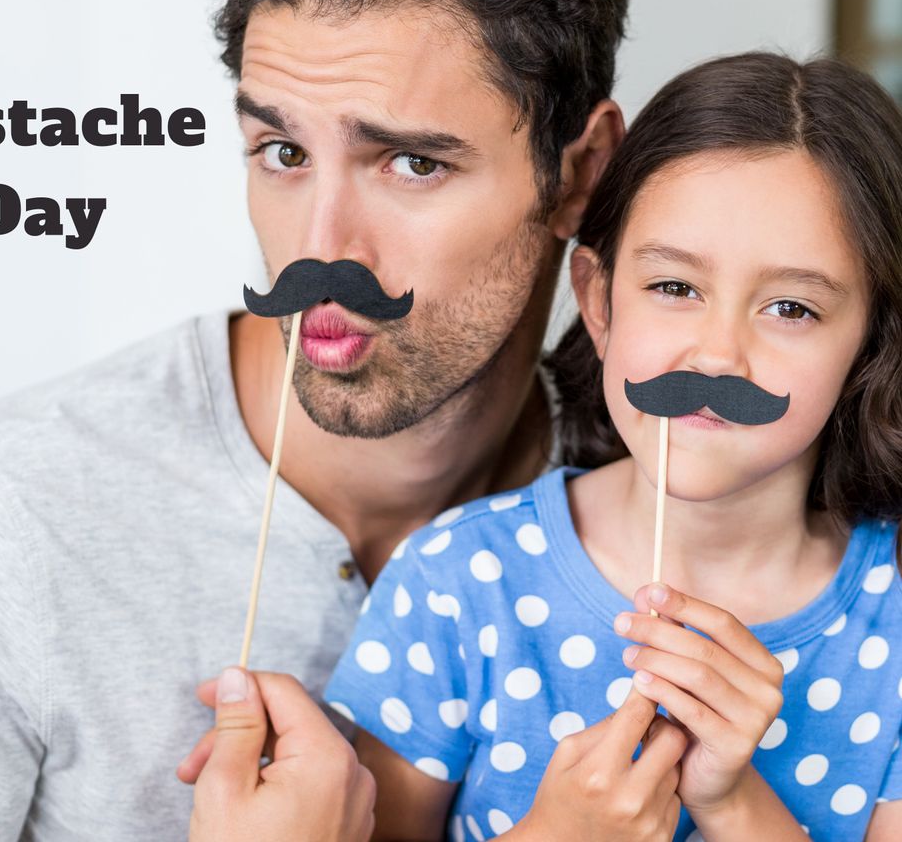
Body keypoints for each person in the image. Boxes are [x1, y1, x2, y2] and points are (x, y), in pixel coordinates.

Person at [0, 0, 628, 839]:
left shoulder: (679, 505)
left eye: (412, 164)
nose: (320, 248)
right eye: (281, 150)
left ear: (582, 173)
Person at [322, 53, 902, 840]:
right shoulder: (456, 585)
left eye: (792, 308)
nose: (717, 355)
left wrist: (734, 802)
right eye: (674, 288)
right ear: (598, 301)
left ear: (870, 343)